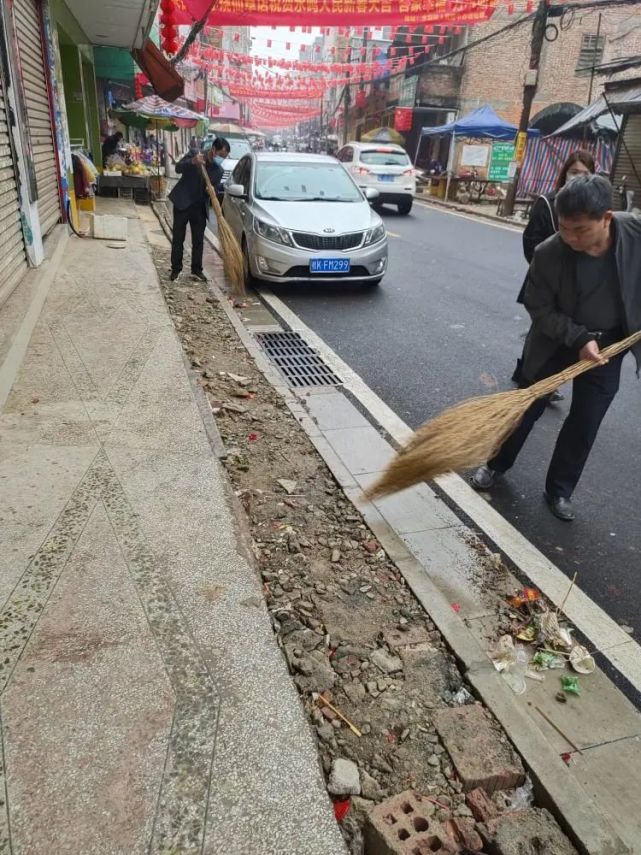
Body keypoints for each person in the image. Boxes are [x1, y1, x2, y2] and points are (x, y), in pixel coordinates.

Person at [472, 175, 641, 521]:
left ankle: (559, 490)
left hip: (609, 346)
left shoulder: (634, 233)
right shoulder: (550, 252)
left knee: (586, 421)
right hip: (557, 342)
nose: (570, 237)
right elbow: (539, 307)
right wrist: (579, 339)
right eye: (564, 227)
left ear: (606, 218)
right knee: (526, 407)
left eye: (579, 230)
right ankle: (496, 465)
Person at [513, 150, 596, 391]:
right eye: (574, 172)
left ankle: (548, 380)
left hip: (577, 287)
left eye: (585, 173)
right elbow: (531, 242)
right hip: (546, 282)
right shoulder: (547, 204)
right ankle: (528, 375)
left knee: (565, 330)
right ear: (564, 174)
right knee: (541, 330)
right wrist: (546, 268)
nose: (578, 177)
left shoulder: (594, 211)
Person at [168, 137, 230, 283]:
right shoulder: (196, 154)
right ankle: (176, 269)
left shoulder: (218, 170)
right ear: (213, 150)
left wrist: (212, 190)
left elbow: (214, 188)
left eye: (225, 157)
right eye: (221, 155)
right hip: (183, 202)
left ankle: (197, 270)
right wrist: (192, 162)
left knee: (198, 241)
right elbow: (178, 168)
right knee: (178, 237)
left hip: (199, 207)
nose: (222, 159)